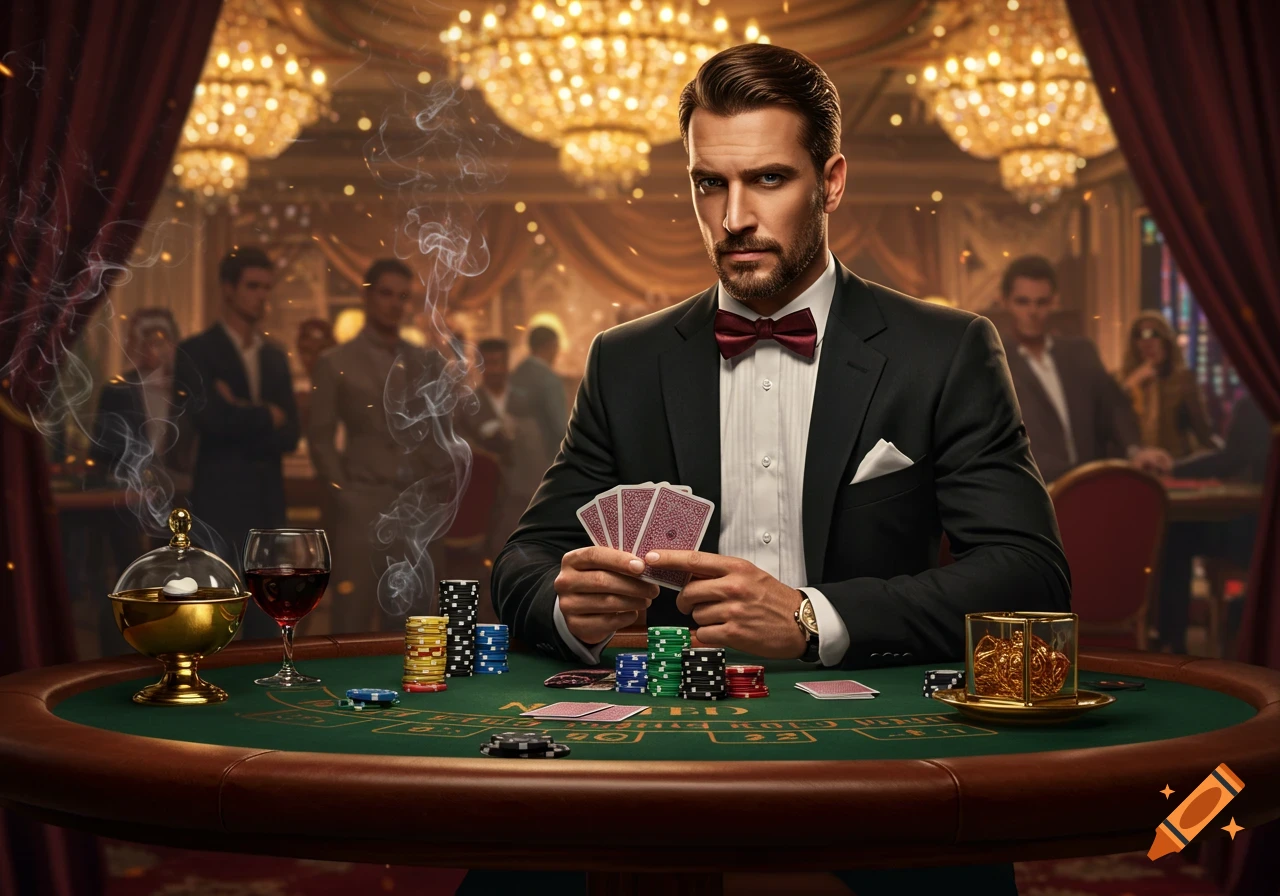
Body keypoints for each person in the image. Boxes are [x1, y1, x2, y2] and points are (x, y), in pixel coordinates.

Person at [486, 44, 1070, 896]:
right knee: (506, 876)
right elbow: (523, 562)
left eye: (766, 180)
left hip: (886, 768)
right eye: (708, 184)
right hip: (662, 764)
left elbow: (1030, 577)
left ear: (829, 183)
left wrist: (809, 617)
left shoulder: (943, 352)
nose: (732, 217)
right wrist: (569, 609)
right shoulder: (627, 361)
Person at [307, 258, 451, 633]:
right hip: (362, 503)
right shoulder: (335, 361)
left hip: (416, 507)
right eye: (386, 294)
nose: (395, 304)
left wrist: (435, 484)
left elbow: (440, 430)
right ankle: (344, 692)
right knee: (352, 615)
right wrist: (346, 493)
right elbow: (319, 437)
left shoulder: (425, 362)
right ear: (367, 296)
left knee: (413, 619)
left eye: (403, 297)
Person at [173, 248, 300, 639]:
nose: (261, 295)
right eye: (252, 286)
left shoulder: (275, 358)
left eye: (266, 287)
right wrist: (265, 414)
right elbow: (211, 421)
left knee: (270, 615)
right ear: (228, 289)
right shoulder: (196, 351)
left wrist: (241, 410)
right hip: (220, 501)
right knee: (218, 611)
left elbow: (291, 433)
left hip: (267, 502)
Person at [998, 255, 1172, 483]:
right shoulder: (994, 363)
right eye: (1023, 301)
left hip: (1093, 489)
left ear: (1054, 302)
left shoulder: (1081, 352)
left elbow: (1113, 406)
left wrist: (1135, 451)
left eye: (1041, 302)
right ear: (1005, 302)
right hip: (1033, 494)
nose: (1032, 311)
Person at [90, 308, 179, 655]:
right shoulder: (115, 390)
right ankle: (117, 654)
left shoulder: (184, 390)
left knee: (174, 583)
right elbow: (100, 451)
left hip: (179, 502)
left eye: (160, 337)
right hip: (127, 503)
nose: (151, 346)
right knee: (126, 582)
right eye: (143, 337)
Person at [1156, 394, 1269, 654]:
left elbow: (1231, 459)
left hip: (1254, 535)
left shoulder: (1258, 402)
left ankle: (1171, 642)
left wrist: (1174, 468)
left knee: (1176, 535)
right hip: (1261, 527)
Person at [1120, 311, 1217, 459]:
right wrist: (1132, 383)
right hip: (1134, 467)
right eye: (1140, 335)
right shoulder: (1123, 381)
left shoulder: (1184, 380)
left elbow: (1202, 431)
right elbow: (1111, 426)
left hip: (1174, 463)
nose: (1148, 342)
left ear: (1166, 342)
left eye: (1154, 335)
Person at [507, 325, 567, 468]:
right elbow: (560, 426)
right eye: (557, 346)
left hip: (516, 454)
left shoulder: (517, 372)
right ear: (550, 345)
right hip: (545, 456)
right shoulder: (549, 379)